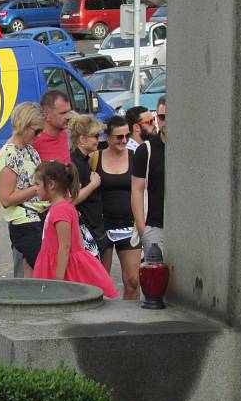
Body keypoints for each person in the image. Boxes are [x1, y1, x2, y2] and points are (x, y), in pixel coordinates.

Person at [32, 161, 118, 298]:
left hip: (62, 268)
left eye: (37, 184)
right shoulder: (61, 207)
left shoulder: (60, 210)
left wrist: (58, 280)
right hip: (55, 263)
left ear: (51, 185)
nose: (34, 188)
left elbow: (65, 247)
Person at [92, 115, 140, 300]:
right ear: (108, 137)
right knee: (100, 283)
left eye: (126, 136)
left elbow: (143, 189)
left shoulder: (135, 157)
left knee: (133, 280)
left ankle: (130, 319)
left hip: (129, 224)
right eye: (119, 137)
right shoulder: (96, 157)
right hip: (102, 225)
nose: (124, 140)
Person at [0, 102, 46, 278]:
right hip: (24, 222)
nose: (39, 136)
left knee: (36, 275)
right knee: (41, 274)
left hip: (37, 217)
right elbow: (6, 199)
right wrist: (37, 189)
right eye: (37, 131)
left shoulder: (30, 149)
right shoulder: (9, 154)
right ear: (24, 125)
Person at [67, 113, 107, 256]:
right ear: (82, 140)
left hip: (93, 225)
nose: (99, 139)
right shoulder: (75, 163)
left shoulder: (82, 160)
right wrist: (93, 184)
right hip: (87, 228)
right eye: (95, 136)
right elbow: (71, 199)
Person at [132, 96, 167, 256]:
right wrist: (142, 228)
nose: (165, 121)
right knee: (155, 278)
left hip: (186, 226)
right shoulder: (146, 150)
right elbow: (137, 190)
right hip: (155, 225)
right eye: (162, 117)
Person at [32, 90, 74, 164]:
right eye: (63, 113)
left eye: (69, 112)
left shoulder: (64, 133)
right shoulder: (33, 141)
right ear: (46, 114)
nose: (69, 117)